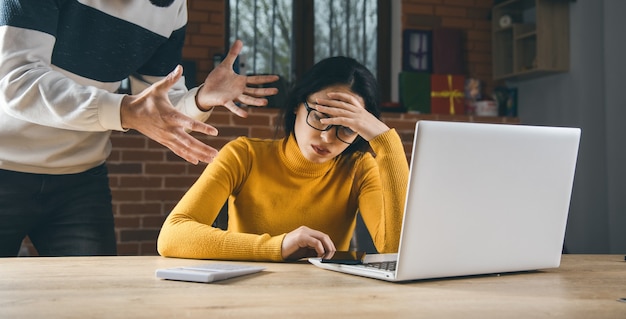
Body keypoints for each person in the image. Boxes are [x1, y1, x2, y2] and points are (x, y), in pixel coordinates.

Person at [0, 0, 279, 257]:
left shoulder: (171, 7)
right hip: (5, 163)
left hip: (79, 178)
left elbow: (158, 103)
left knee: (93, 302)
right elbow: (17, 82)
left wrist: (200, 98)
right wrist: (123, 111)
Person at [157, 56, 409, 262]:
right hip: (245, 298)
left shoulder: (358, 168)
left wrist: (386, 140)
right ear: (297, 106)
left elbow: (395, 250)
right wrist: (277, 246)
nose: (326, 137)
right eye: (320, 116)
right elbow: (173, 235)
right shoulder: (244, 155)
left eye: (346, 127)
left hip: (326, 300)